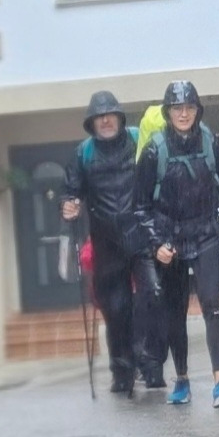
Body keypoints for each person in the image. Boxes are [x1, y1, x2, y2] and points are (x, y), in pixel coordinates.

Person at [134, 80, 219, 409]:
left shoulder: (214, 144)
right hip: (169, 240)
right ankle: (182, 378)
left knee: (213, 305)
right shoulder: (154, 151)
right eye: (177, 108)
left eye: (189, 108)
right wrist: (156, 243)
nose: (183, 114)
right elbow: (139, 207)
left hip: (206, 234)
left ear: (198, 110)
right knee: (175, 312)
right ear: (168, 112)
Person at [61, 90, 162, 395]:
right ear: (92, 123)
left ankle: (150, 364)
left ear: (119, 117)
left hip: (141, 235)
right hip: (106, 243)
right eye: (99, 117)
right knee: (116, 309)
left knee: (152, 295)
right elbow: (71, 189)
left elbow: (158, 171)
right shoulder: (83, 153)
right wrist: (69, 204)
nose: (105, 121)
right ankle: (122, 371)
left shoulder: (137, 139)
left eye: (110, 115)